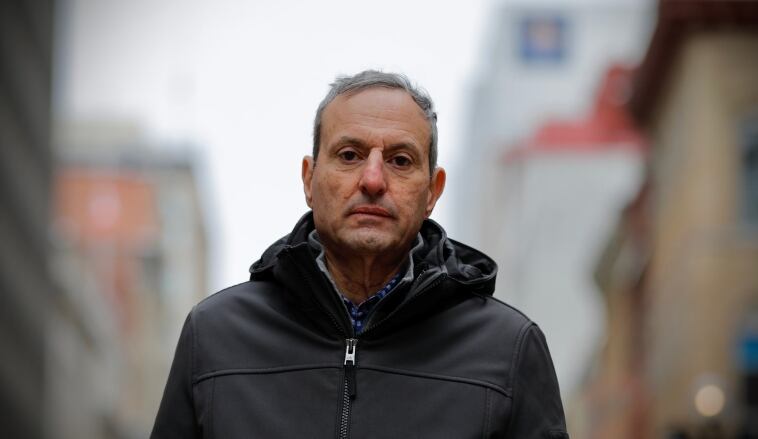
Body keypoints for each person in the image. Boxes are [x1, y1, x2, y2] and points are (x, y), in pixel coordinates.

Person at [151, 70, 568, 438]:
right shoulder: (214, 337)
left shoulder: (508, 350)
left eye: (400, 160)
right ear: (309, 180)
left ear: (432, 192)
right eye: (349, 155)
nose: (372, 179)